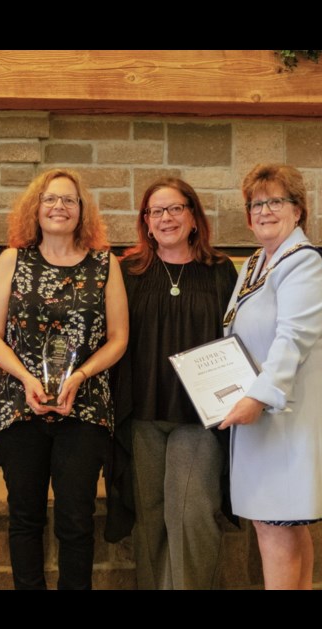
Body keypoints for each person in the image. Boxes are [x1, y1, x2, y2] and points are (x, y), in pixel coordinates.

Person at [0, 168, 128, 590]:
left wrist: (79, 376)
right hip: (19, 405)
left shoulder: (105, 264)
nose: (59, 207)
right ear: (36, 207)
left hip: (83, 407)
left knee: (76, 520)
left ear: (82, 211)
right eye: (50, 199)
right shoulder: (14, 259)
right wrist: (27, 379)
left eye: (68, 200)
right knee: (25, 517)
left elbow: (118, 339)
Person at [218, 163, 322, 590]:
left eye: (276, 201)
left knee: (277, 526)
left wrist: (257, 397)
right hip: (263, 413)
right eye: (256, 203)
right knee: (281, 524)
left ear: (298, 210)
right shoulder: (257, 262)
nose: (264, 211)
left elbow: (292, 340)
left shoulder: (303, 263)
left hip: (287, 414)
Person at [113, 178, 237, 589]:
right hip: (141, 413)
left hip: (199, 417)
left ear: (193, 216)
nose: (166, 218)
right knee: (149, 514)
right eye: (156, 211)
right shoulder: (126, 272)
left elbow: (236, 339)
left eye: (175, 208)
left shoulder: (220, 271)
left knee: (190, 512)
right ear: (146, 223)